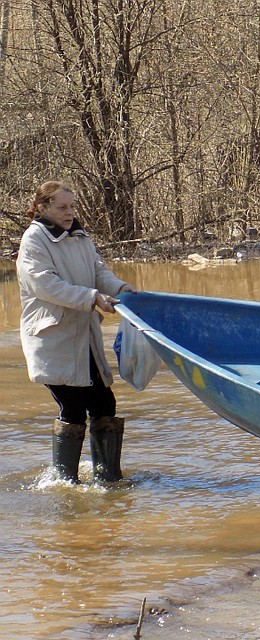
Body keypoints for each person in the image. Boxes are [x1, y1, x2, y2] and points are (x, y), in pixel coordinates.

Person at [16, 181, 137, 484]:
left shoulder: (79, 236)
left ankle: (109, 479)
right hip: (53, 339)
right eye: (62, 207)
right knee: (71, 406)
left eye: (71, 206)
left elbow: (99, 273)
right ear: (42, 208)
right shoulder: (34, 240)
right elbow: (45, 285)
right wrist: (92, 298)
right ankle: (64, 482)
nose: (70, 213)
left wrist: (122, 291)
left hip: (84, 338)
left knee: (104, 404)